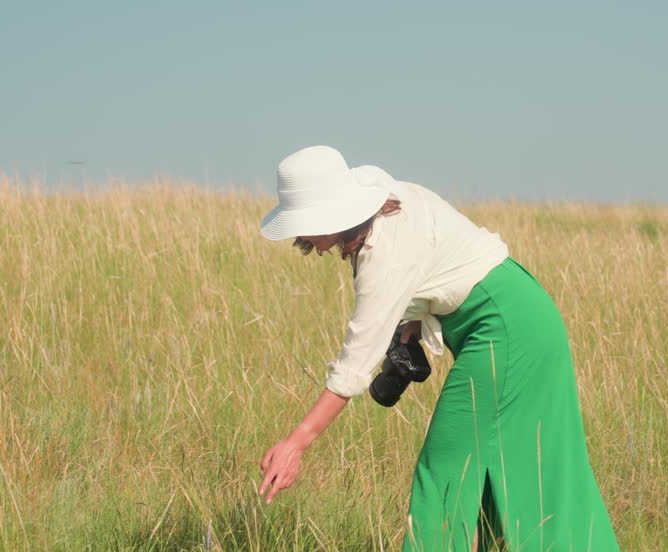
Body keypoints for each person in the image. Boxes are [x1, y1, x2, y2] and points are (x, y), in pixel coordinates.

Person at [257, 145, 619, 551]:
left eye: (307, 226)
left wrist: (296, 443)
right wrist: (413, 319)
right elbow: (438, 257)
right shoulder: (388, 199)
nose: (306, 239)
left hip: (504, 330)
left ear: (334, 215)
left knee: (448, 469)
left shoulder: (383, 254)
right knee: (527, 465)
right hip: (524, 314)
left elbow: (355, 364)